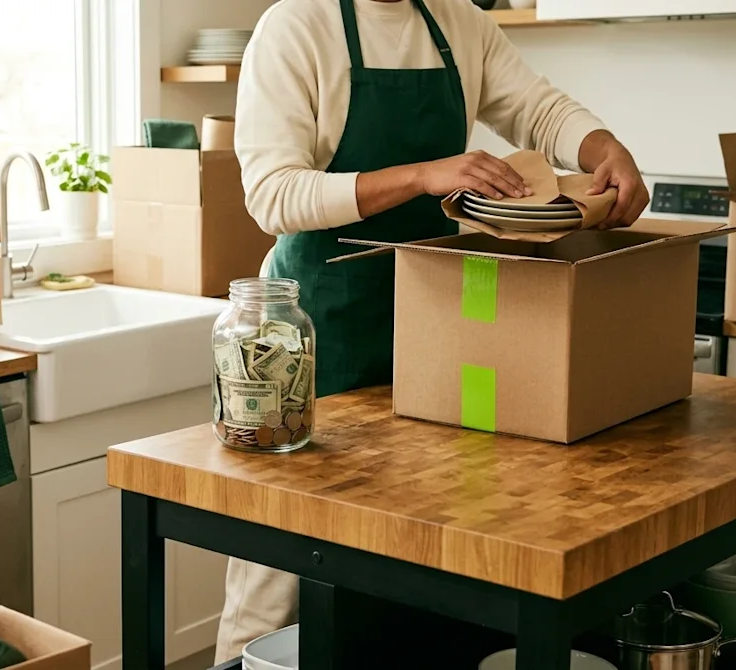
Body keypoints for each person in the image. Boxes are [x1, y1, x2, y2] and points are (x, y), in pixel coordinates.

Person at [217, 0, 649, 662]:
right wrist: (423, 176)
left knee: (419, 536)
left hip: (438, 318)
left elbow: (536, 108)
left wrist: (606, 147)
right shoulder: (297, 26)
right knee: (280, 558)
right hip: (313, 331)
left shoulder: (460, 22)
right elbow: (272, 196)